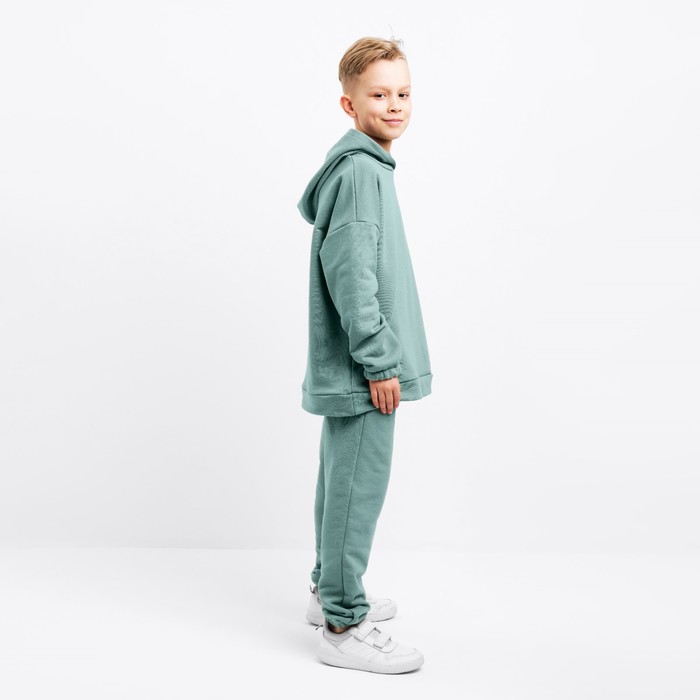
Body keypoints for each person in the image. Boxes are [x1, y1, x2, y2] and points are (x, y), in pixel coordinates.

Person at [297, 36, 433, 674]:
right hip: (364, 372)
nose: (395, 105)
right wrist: (380, 361)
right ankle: (342, 622)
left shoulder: (367, 167)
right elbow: (353, 275)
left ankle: (329, 587)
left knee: (340, 482)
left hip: (358, 367)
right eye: (379, 95)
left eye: (403, 93)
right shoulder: (359, 173)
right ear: (349, 105)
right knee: (357, 487)